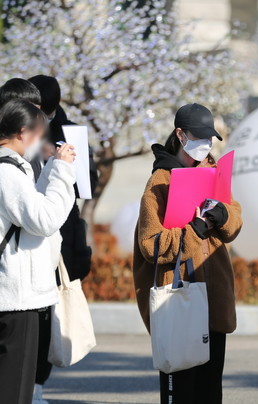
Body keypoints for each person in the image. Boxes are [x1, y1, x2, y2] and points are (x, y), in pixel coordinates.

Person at [133, 103, 242, 404]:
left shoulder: (212, 172)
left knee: (210, 391)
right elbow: (150, 244)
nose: (205, 145)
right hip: (178, 299)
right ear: (180, 135)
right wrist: (192, 231)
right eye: (200, 137)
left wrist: (224, 215)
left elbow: (234, 223)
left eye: (210, 139)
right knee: (180, 391)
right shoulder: (159, 183)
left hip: (213, 298)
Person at [0, 99, 76, 404]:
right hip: (15, 299)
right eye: (39, 134)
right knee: (14, 389)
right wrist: (63, 173)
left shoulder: (11, 171)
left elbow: (31, 207)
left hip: (13, 295)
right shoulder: (7, 173)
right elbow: (44, 219)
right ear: (23, 132)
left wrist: (54, 168)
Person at [28, 74, 98, 403]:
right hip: (25, 233)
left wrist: (61, 162)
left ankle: (38, 385)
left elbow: (89, 183)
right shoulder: (16, 129)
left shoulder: (70, 134)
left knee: (48, 318)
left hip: (61, 237)